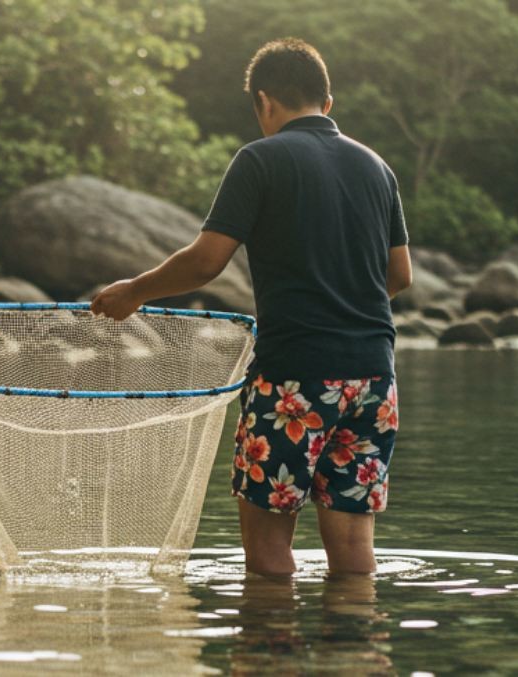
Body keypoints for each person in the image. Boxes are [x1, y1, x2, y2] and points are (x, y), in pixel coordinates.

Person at [91, 38, 412, 577]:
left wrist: (134, 292)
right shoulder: (377, 167)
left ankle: (270, 631)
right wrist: (345, 299)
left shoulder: (260, 159)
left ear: (264, 101)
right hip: (373, 381)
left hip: (294, 378)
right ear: (327, 102)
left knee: (268, 550)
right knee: (355, 548)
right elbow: (399, 276)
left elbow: (205, 262)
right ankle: (356, 631)